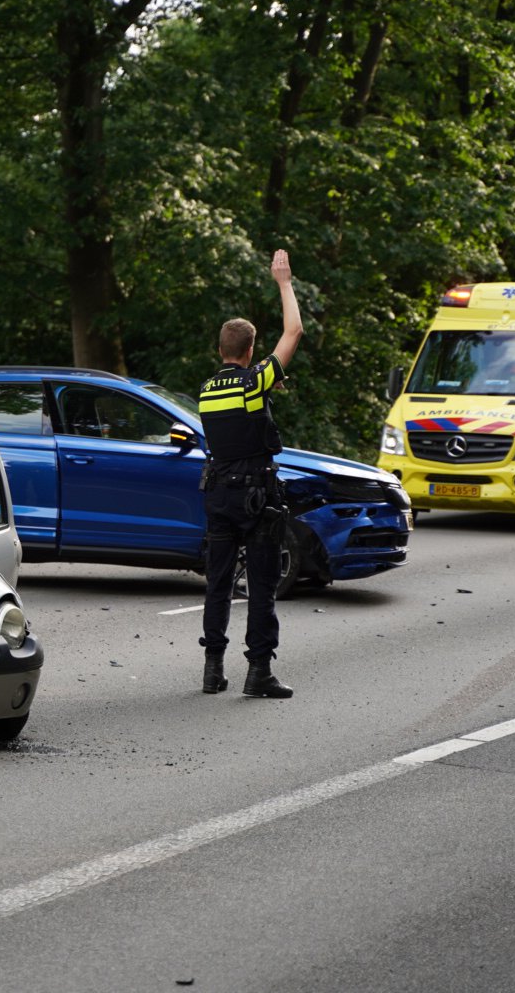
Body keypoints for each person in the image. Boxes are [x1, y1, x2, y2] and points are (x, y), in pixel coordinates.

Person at [197, 249, 305, 698]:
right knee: (261, 586)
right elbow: (294, 331)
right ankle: (258, 672)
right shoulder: (254, 382)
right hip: (255, 496)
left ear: (220, 351)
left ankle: (212, 671)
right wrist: (284, 282)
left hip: (218, 494)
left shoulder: (207, 390)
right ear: (250, 351)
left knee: (218, 584)